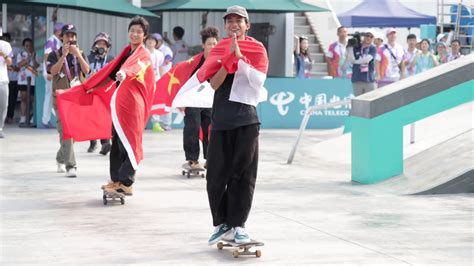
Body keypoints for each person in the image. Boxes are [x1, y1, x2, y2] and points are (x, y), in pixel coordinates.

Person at [206, 5, 268, 245]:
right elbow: (213, 84)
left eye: (238, 21)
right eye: (229, 20)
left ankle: (239, 225)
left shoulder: (257, 49)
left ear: (247, 25)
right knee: (215, 176)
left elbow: (259, 82)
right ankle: (222, 224)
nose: (234, 24)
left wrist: (240, 58)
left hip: (247, 121)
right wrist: (227, 59)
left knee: (243, 174)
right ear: (225, 25)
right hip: (221, 120)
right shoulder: (220, 49)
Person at [99, 16, 156, 196]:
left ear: (144, 35)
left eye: (139, 31)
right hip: (120, 106)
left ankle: (126, 182)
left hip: (133, 106)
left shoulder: (144, 55)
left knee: (130, 142)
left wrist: (125, 73)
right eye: (132, 30)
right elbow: (110, 73)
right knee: (117, 142)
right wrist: (91, 86)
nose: (134, 34)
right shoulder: (125, 53)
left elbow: (134, 68)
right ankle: (116, 180)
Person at [46, 24, 90, 177]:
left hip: (77, 100)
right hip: (60, 100)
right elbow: (52, 71)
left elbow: (87, 71)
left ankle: (60, 157)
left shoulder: (81, 53)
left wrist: (77, 55)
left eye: (73, 36)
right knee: (66, 132)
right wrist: (64, 56)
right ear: (62, 37)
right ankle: (71, 165)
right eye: (67, 35)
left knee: (74, 133)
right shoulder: (54, 54)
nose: (70, 38)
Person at [182, 26, 219, 170]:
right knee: (193, 127)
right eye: (209, 43)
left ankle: (210, 158)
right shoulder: (194, 62)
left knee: (211, 129)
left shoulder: (219, 62)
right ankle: (192, 159)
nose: (213, 46)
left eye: (215, 43)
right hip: (193, 101)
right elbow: (182, 76)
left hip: (210, 102)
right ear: (203, 45)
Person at [86, 32, 114, 155]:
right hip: (91, 91)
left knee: (104, 118)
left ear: (108, 47)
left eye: (104, 44)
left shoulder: (112, 59)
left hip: (105, 92)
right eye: (99, 43)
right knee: (91, 117)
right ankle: (92, 142)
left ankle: (105, 143)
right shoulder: (89, 58)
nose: (101, 46)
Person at [42, 22, 63, 128]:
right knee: (49, 96)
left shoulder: (57, 41)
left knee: (52, 96)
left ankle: (47, 120)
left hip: (54, 71)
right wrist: (48, 72)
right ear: (58, 31)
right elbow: (46, 56)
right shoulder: (52, 40)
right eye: (62, 31)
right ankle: (45, 121)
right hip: (50, 72)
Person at [145, 33, 166, 133]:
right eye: (148, 40)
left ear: (156, 43)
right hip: (144, 80)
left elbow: (161, 67)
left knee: (156, 101)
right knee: (144, 101)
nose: (150, 42)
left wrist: (162, 80)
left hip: (156, 78)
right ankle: (142, 122)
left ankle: (156, 123)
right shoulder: (142, 52)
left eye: (152, 40)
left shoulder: (159, 54)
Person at [17, 38, 40, 125]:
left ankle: (33, 117)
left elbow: (37, 66)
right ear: (24, 46)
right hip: (23, 80)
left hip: (33, 80)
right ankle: (23, 118)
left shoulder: (35, 54)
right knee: (23, 98)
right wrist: (27, 59)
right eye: (26, 46)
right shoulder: (20, 54)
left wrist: (33, 58)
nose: (28, 47)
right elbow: (18, 65)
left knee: (33, 99)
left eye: (30, 46)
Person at [346, 30, 376, 96]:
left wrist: (355, 62)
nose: (369, 38)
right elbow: (350, 59)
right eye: (367, 35)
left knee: (370, 102)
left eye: (371, 36)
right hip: (357, 79)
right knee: (358, 103)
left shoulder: (372, 48)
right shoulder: (356, 47)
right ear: (363, 36)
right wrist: (350, 47)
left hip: (369, 80)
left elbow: (366, 60)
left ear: (373, 39)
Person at [155, 33, 173, 131]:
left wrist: (157, 62)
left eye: (156, 41)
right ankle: (156, 123)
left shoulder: (166, 49)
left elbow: (168, 59)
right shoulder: (152, 50)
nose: (154, 43)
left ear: (160, 41)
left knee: (166, 101)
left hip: (166, 78)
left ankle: (166, 124)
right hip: (156, 79)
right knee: (156, 101)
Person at [3, 33, 20, 125]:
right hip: (3, 79)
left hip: (13, 78)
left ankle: (10, 116)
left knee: (12, 99)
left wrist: (13, 67)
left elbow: (16, 65)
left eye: (6, 39)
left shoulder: (15, 50)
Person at [0, 27, 13, 138]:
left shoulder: (5, 45)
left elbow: (9, 62)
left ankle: (0, 128)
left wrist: (3, 55)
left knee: (3, 105)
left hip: (2, 80)